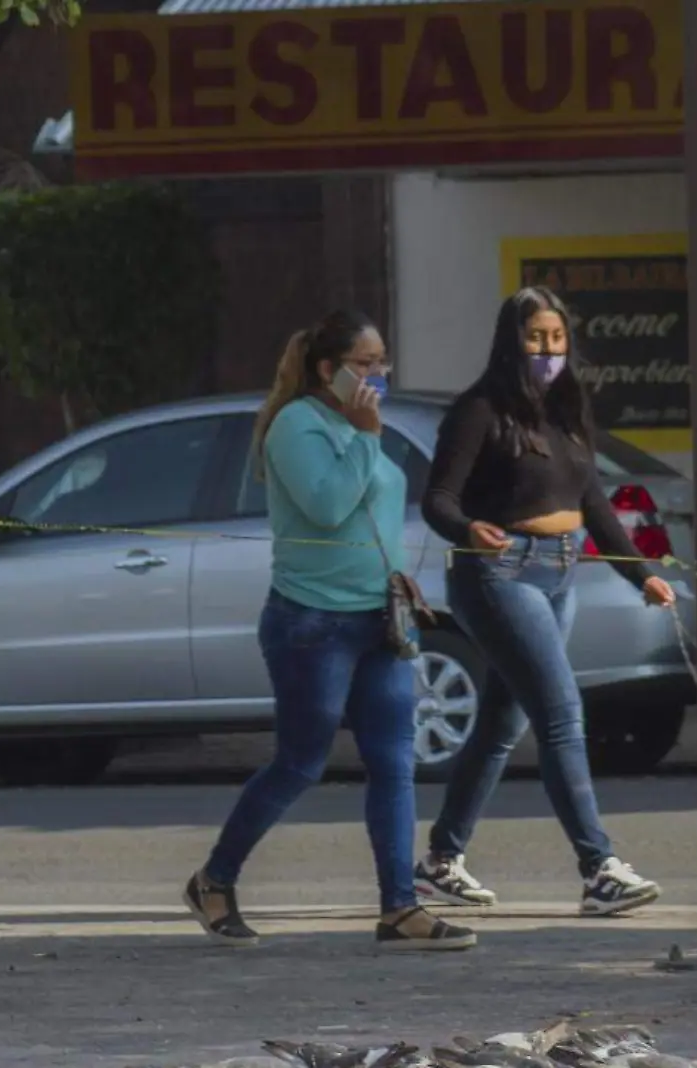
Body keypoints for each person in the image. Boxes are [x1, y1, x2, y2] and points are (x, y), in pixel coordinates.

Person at [184, 310, 476, 953]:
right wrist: (366, 437)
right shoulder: (297, 425)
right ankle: (214, 879)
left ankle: (399, 907)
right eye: (365, 364)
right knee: (301, 762)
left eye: (383, 363)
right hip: (313, 621)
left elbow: (372, 514)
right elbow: (327, 504)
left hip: (380, 616)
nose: (378, 375)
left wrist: (397, 577)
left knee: (395, 762)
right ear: (327, 369)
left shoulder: (363, 423)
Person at [413, 286, 678, 917]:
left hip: (560, 574)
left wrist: (639, 574)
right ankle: (599, 868)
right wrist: (466, 528)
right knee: (561, 712)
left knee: (505, 723)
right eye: (536, 338)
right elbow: (439, 499)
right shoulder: (479, 411)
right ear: (511, 341)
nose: (547, 351)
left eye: (557, 339)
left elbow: (595, 508)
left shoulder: (565, 415)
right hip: (499, 574)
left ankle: (441, 863)